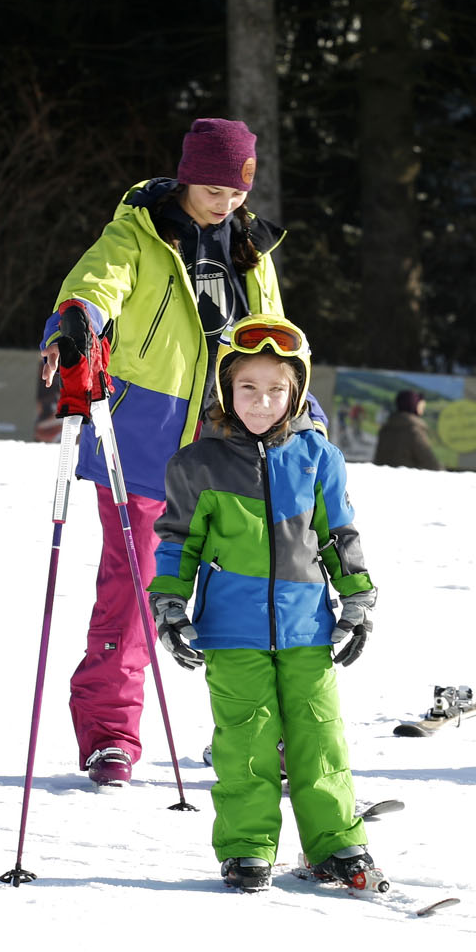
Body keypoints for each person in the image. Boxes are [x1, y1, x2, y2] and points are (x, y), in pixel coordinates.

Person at [39, 117, 313, 788]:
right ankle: (110, 734)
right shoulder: (137, 234)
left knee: (246, 591)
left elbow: (272, 336)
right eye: (214, 189)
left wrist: (298, 406)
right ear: (188, 177)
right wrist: (72, 323)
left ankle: (254, 733)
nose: (226, 203)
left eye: (238, 191)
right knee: (134, 590)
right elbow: (94, 287)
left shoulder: (252, 249)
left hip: (229, 441)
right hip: (143, 444)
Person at [146, 314, 378, 892]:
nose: (262, 401)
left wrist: (357, 599)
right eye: (248, 387)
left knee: (319, 737)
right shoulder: (196, 465)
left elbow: (338, 534)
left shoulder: (317, 457)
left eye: (277, 389)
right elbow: (176, 543)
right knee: (245, 741)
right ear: (226, 387)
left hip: (307, 627)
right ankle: (247, 847)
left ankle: (337, 842)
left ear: (296, 392)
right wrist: (169, 605)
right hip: (231, 630)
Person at [372, 389, 442, 470]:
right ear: (414, 405)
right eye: (421, 405)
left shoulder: (385, 429)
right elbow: (431, 463)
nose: (423, 408)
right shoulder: (414, 432)